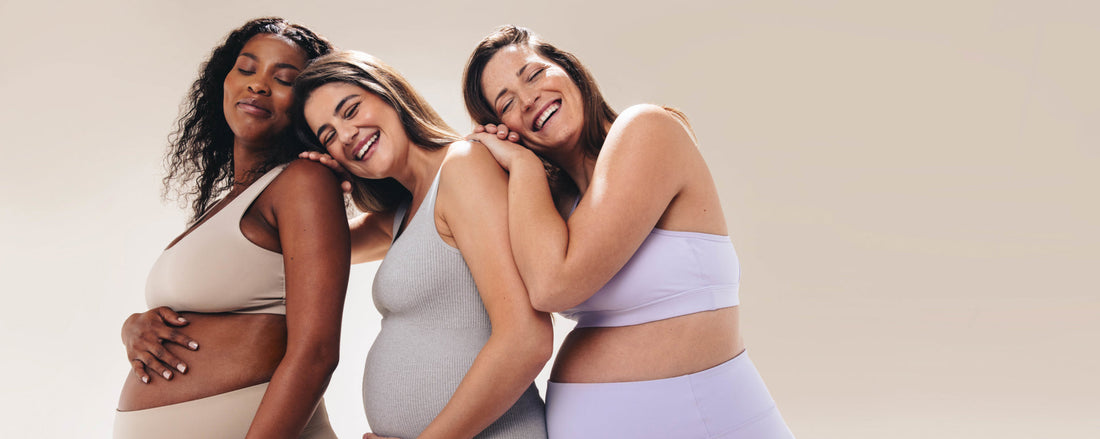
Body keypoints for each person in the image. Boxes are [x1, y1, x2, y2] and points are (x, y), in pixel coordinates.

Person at [462, 25, 795, 438]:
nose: (528, 99)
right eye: (506, 102)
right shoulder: (547, 206)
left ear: (568, 69)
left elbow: (554, 287)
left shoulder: (648, 129)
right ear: (505, 127)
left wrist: (524, 166)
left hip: (717, 417)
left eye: (533, 75)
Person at [292, 50, 551, 439]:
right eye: (328, 135)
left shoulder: (463, 167)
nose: (345, 135)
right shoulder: (399, 215)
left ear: (389, 94)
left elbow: (526, 339)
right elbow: (298, 250)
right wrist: (315, 183)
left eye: (350, 110)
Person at [113, 17, 348, 439]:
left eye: (284, 79)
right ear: (223, 82)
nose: (258, 85)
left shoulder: (302, 181)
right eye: (246, 69)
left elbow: (315, 354)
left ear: (307, 103)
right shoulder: (230, 203)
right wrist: (132, 326)